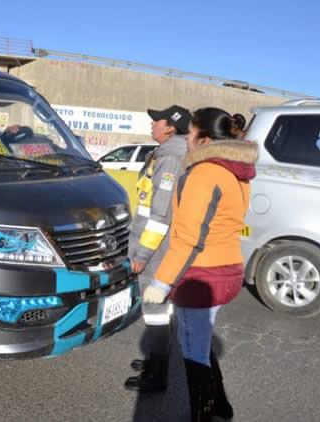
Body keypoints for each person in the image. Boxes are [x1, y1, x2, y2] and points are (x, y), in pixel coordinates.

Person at [143, 107, 256, 421]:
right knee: (201, 344)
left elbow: (188, 239)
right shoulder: (238, 172)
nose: (186, 140)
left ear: (204, 139)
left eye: (190, 134)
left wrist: (161, 282)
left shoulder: (203, 173)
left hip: (202, 275)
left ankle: (203, 414)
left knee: (193, 353)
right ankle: (221, 406)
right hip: (229, 268)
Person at [124, 105, 191, 393]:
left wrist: (141, 255)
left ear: (171, 127)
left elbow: (159, 215)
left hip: (156, 250)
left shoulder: (171, 160)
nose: (152, 124)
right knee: (160, 309)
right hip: (159, 247)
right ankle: (156, 360)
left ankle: (158, 374)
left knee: (155, 310)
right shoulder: (167, 154)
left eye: (157, 120)